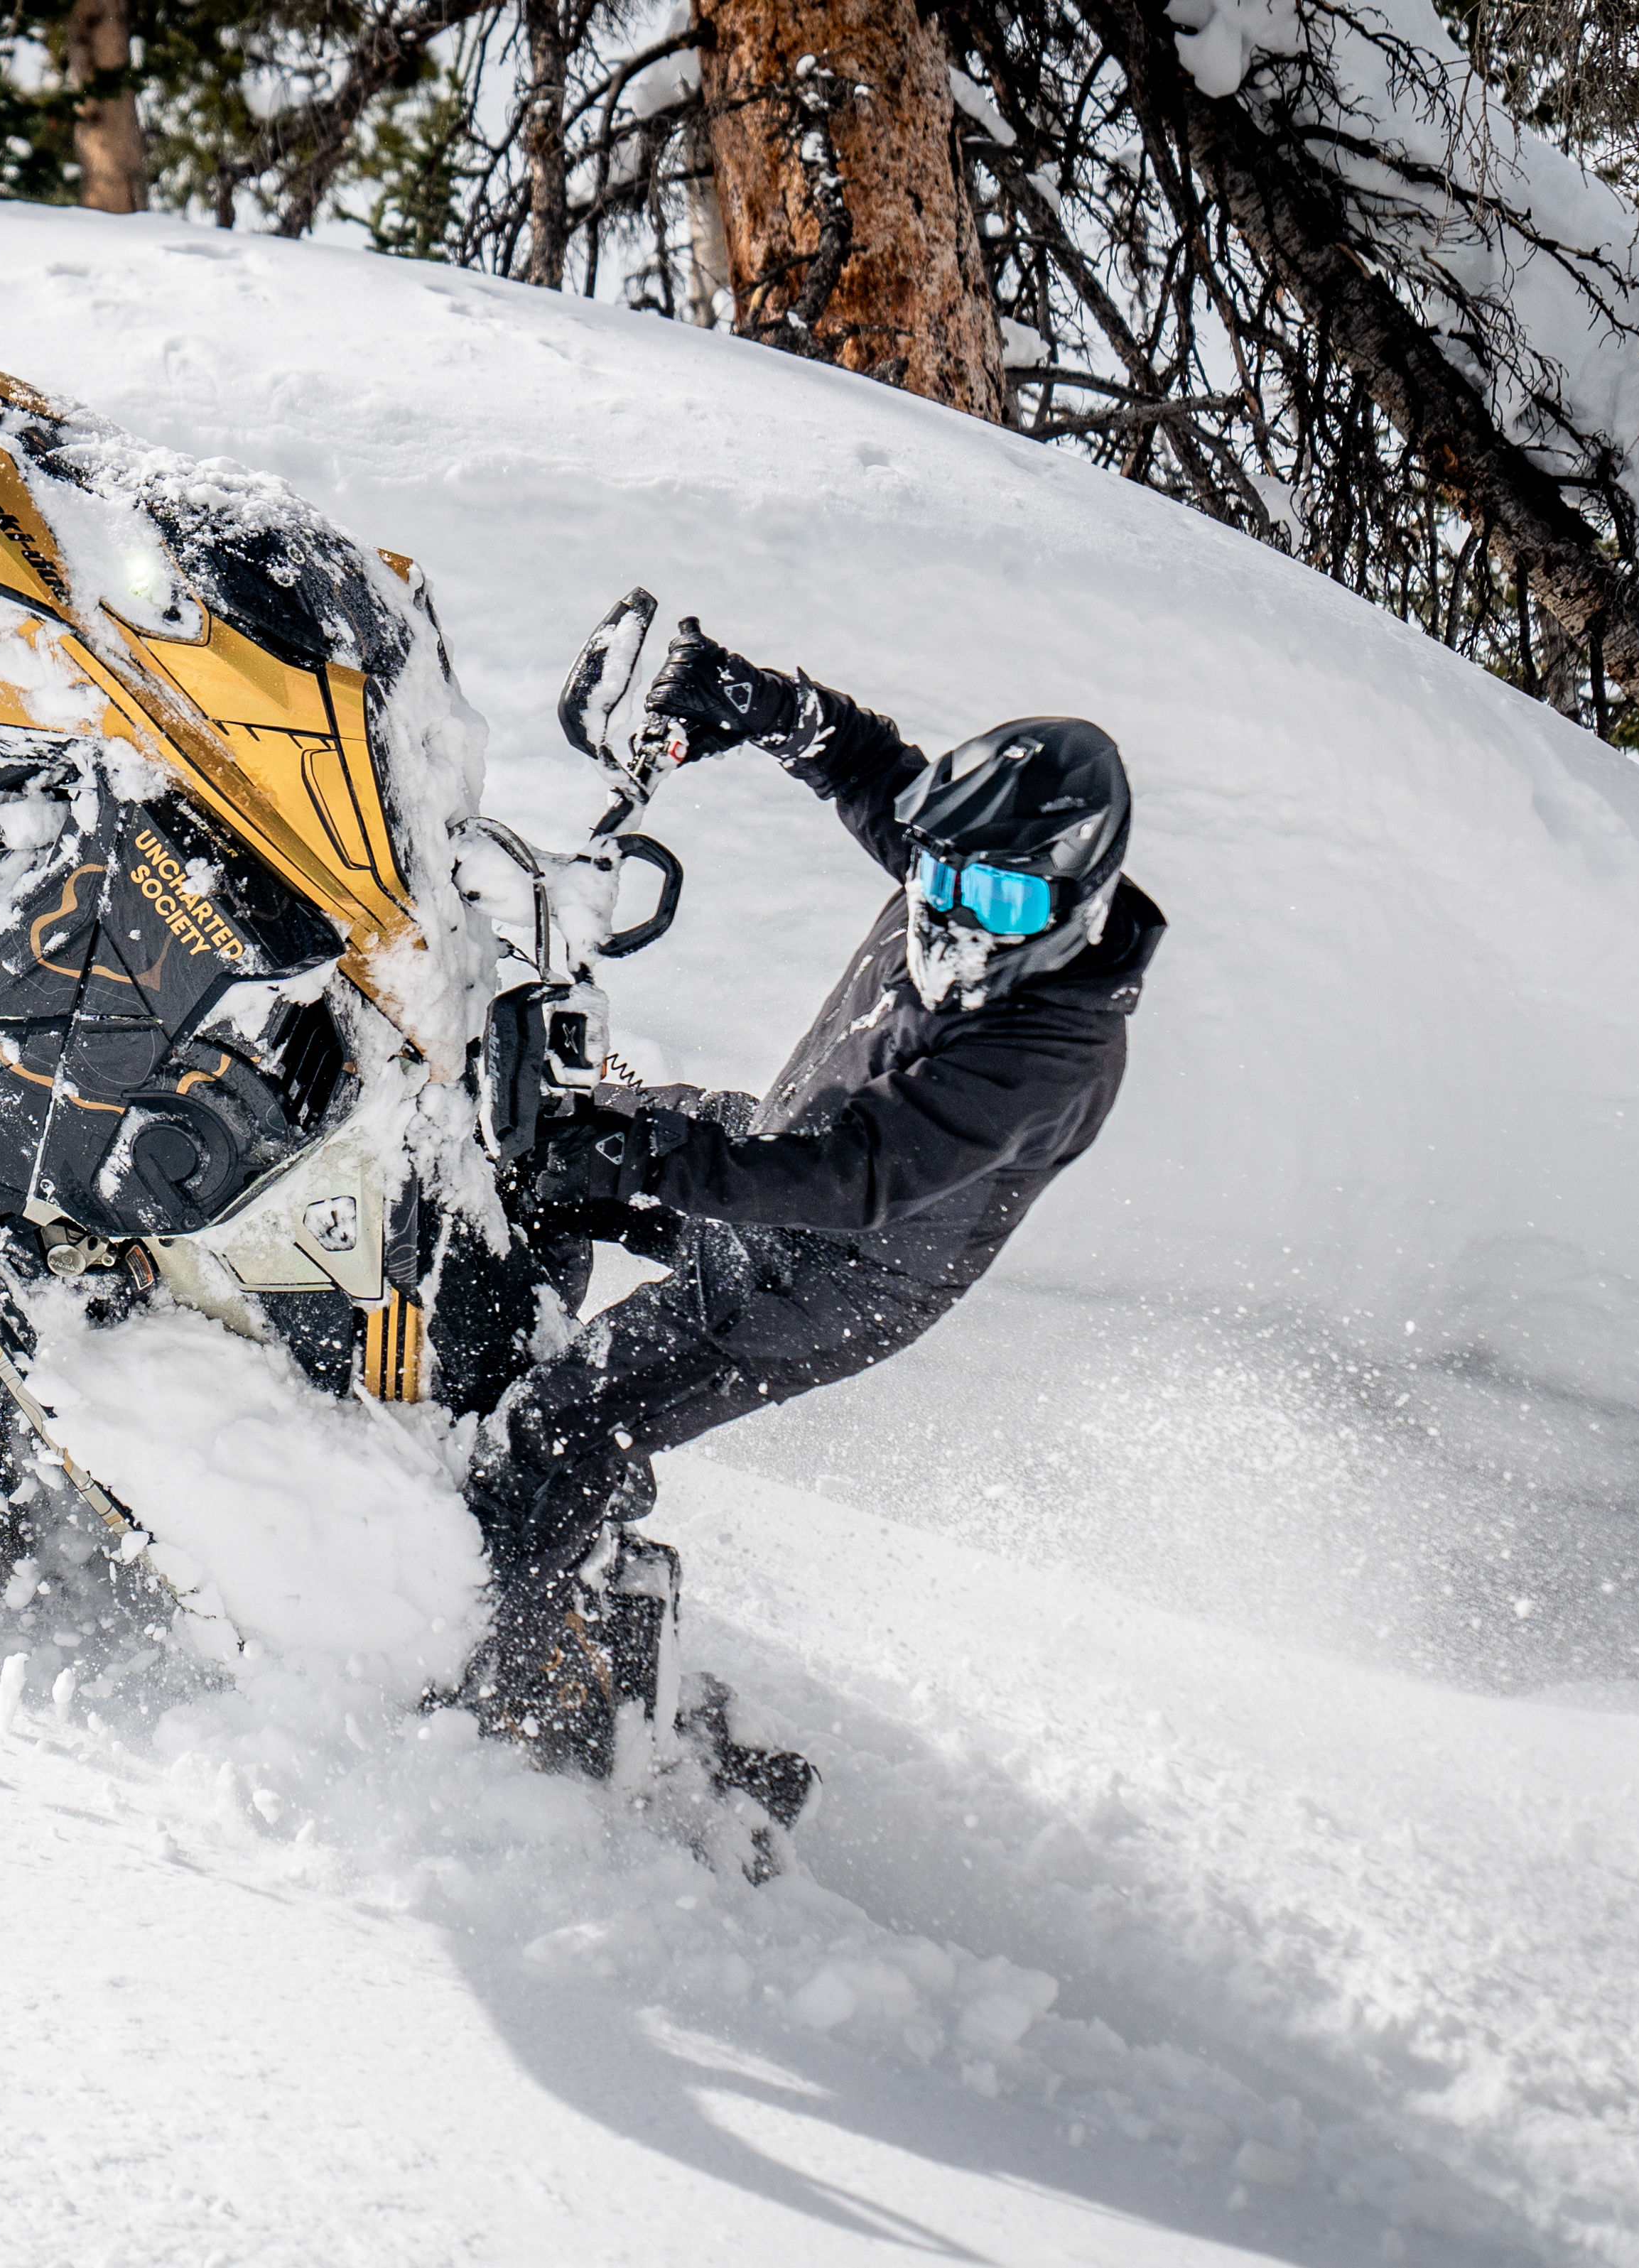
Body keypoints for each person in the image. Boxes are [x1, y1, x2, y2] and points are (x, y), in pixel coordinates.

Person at [461, 616, 1167, 1798]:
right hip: (775, 1151)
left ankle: (511, 1727)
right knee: (515, 1145)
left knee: (560, 1430)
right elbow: (871, 772)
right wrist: (764, 705)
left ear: (1074, 896)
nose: (946, 910)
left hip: (817, 1279)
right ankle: (538, 1514)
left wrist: (640, 1151)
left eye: (987, 896)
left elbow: (852, 1175)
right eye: (934, 874)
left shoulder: (1052, 1051)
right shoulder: (986, 891)